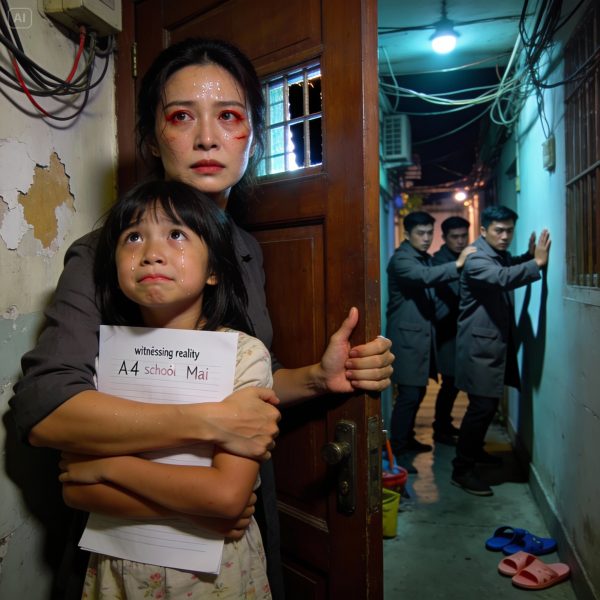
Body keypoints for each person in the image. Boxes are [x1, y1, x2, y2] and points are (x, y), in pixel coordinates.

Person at [9, 38, 393, 598]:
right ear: (152, 137)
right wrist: (208, 423)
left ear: (254, 138)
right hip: (129, 551)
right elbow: (43, 409)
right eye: (182, 116)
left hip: (228, 544)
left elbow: (241, 386)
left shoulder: (244, 251)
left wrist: (317, 378)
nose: (207, 138)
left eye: (229, 116)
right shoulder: (108, 255)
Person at [59, 179, 273, 598]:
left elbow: (226, 497)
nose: (152, 253)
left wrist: (107, 469)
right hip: (120, 571)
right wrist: (200, 513)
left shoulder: (244, 356)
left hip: (215, 578)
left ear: (213, 270)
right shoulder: (102, 357)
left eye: (176, 234)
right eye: (133, 237)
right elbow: (75, 492)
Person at [451, 205, 550, 496]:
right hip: (478, 348)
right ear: (484, 230)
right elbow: (501, 277)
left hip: (488, 346)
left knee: (486, 406)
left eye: (509, 230)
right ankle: (461, 469)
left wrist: (528, 256)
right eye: (499, 230)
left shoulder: (493, 253)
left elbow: (506, 265)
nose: (505, 236)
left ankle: (473, 453)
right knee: (481, 408)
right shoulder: (476, 259)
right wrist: (537, 263)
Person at [385, 211, 474, 473]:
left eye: (429, 233)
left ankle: (408, 439)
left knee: (418, 392)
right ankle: (397, 451)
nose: (426, 238)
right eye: (420, 233)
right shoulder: (402, 260)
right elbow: (424, 277)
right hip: (406, 339)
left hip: (420, 339)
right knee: (409, 396)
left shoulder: (420, 256)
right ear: (407, 234)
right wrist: (458, 264)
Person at [431, 216, 470, 445]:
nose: (460, 241)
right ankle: (440, 427)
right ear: (444, 238)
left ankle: (444, 424)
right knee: (450, 381)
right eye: (455, 237)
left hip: (461, 330)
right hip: (446, 330)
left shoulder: (466, 256)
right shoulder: (440, 261)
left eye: (464, 236)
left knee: (453, 382)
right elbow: (458, 292)